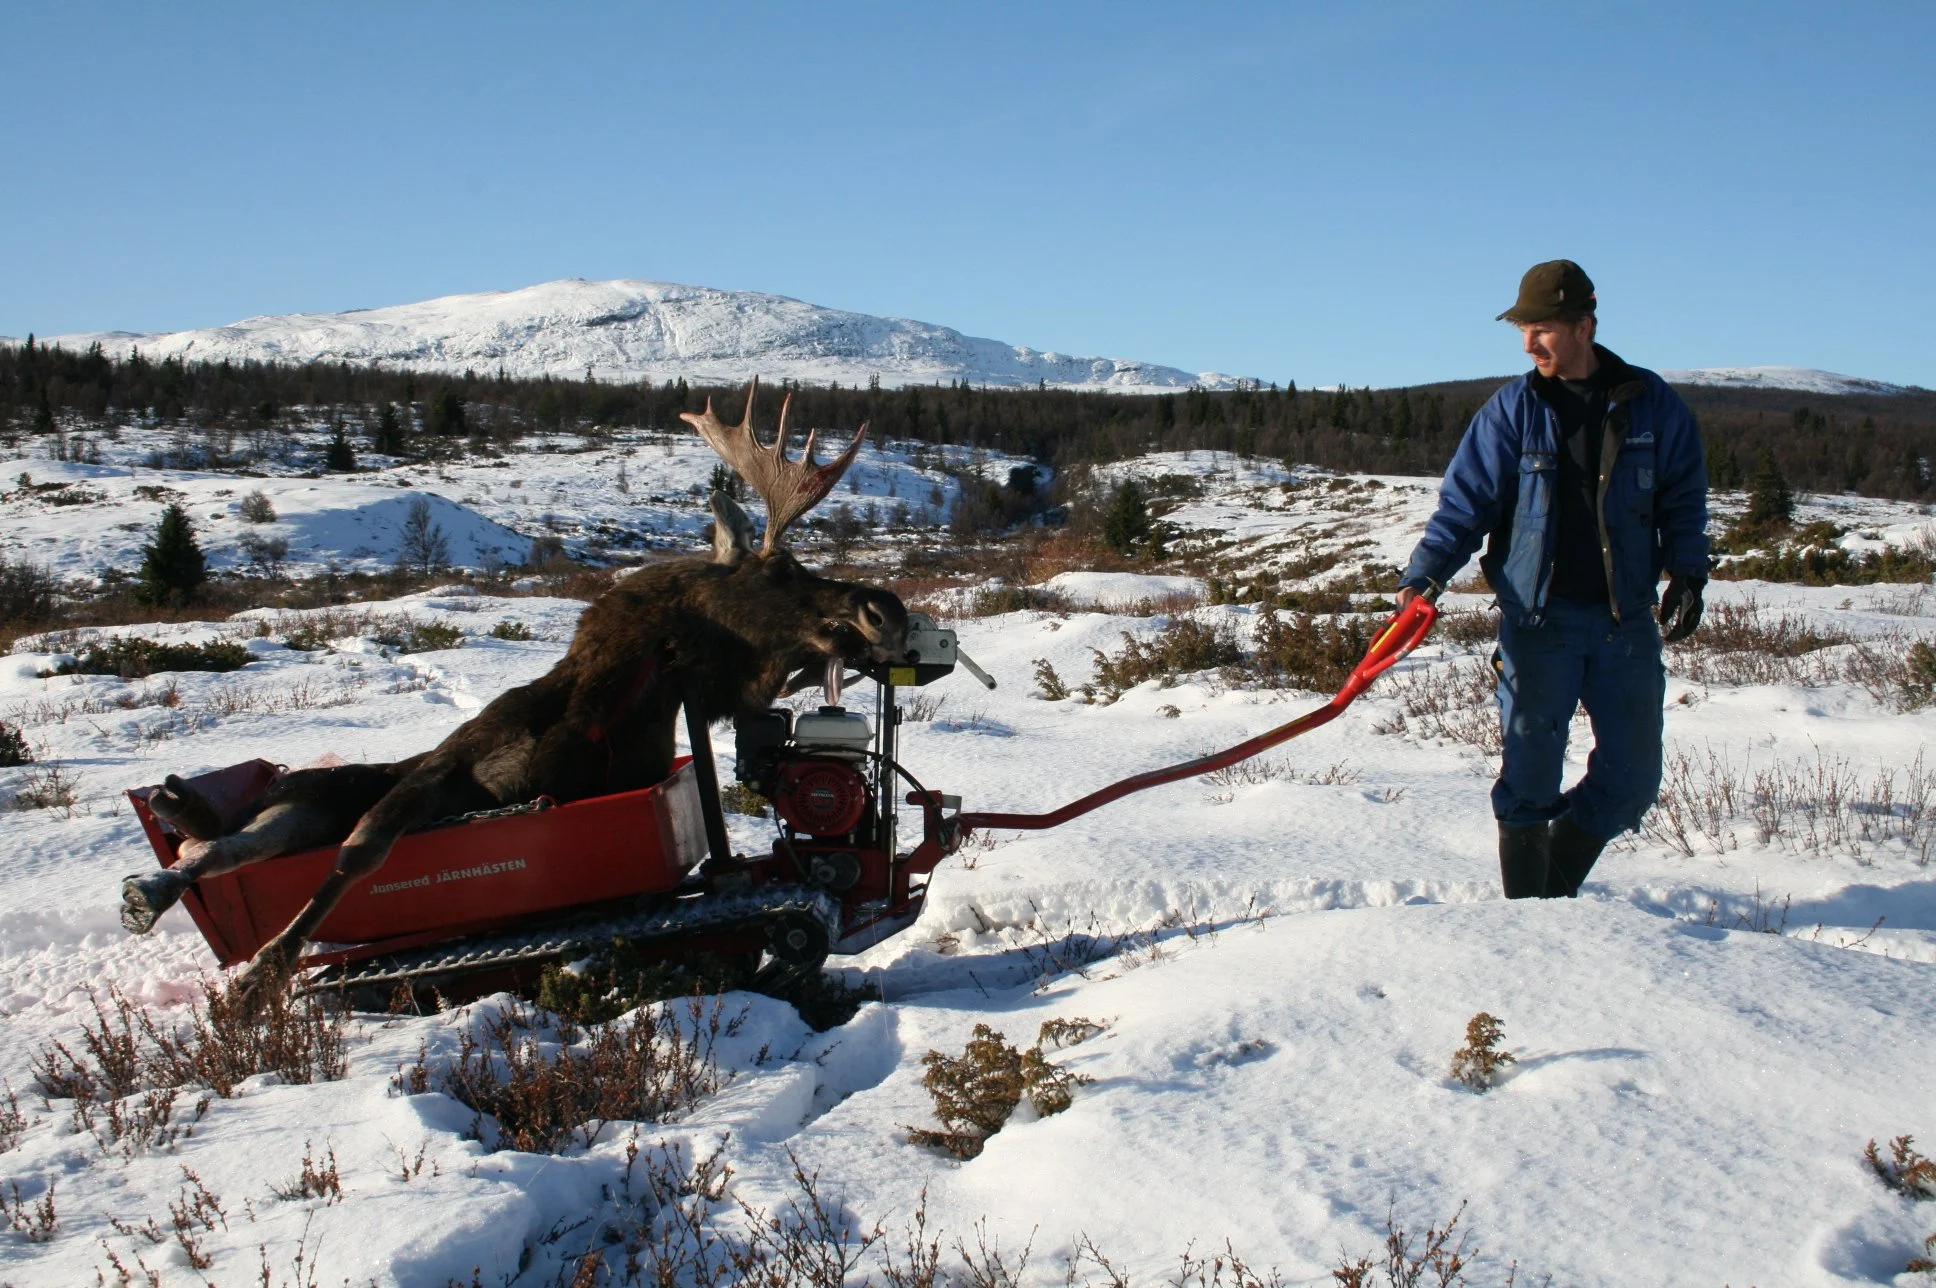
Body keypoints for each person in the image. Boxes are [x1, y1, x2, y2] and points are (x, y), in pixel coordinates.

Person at [1396, 260, 1708, 899]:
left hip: (1623, 621)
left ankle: (1553, 896)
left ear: (1584, 326)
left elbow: (1683, 497)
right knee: (1530, 778)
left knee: (1630, 780)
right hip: (1538, 623)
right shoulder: (1512, 410)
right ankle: (1529, 920)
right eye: (1522, 329)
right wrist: (1425, 577)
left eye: (1541, 329)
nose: (1528, 343)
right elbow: (1466, 505)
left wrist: (1688, 572)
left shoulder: (1651, 406)